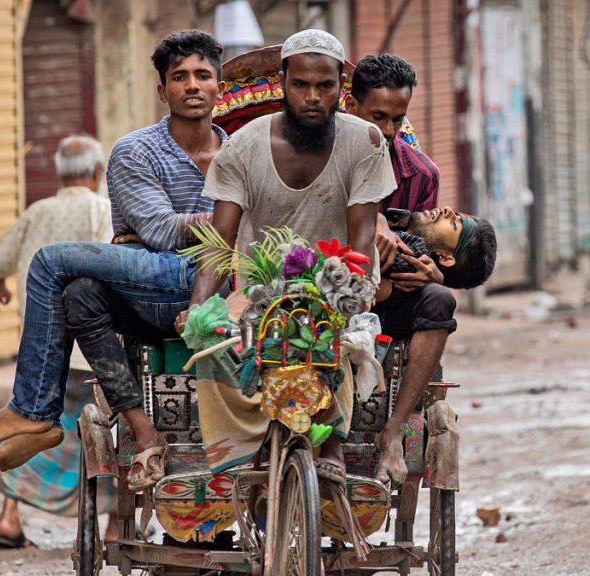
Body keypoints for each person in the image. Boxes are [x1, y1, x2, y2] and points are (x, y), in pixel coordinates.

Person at [0, 30, 227, 494]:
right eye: (180, 77)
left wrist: (213, 226)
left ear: (218, 88)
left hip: (217, 288)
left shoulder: (241, 152)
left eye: (202, 75)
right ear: (162, 91)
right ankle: (135, 430)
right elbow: (161, 232)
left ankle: (33, 411)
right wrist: (230, 222)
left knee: (52, 263)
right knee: (77, 292)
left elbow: (166, 231)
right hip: (154, 287)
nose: (192, 85)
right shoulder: (136, 150)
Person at [182, 29, 396, 482]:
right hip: (262, 289)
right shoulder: (242, 147)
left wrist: (347, 297)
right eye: (301, 85)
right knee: (214, 347)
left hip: (341, 280)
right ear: (283, 83)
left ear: (341, 86)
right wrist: (198, 307)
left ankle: (332, 443)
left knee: (329, 335)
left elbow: (361, 237)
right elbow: (219, 242)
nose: (312, 97)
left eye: (325, 86)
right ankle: (243, 448)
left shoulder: (366, 142)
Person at [345, 53, 496, 483]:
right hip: (323, 278)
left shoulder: (420, 175)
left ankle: (392, 432)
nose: (389, 131)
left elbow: (422, 242)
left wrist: (432, 273)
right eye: (378, 117)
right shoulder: (323, 152)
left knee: (439, 300)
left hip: (382, 295)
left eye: (398, 119)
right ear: (352, 107)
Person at [0, 135, 115, 548]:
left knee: (33, 426)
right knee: (108, 432)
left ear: (59, 173)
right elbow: (113, 262)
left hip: (42, 350)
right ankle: (114, 524)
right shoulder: (100, 210)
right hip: (89, 347)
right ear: (97, 172)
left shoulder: (37, 211)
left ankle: (9, 515)